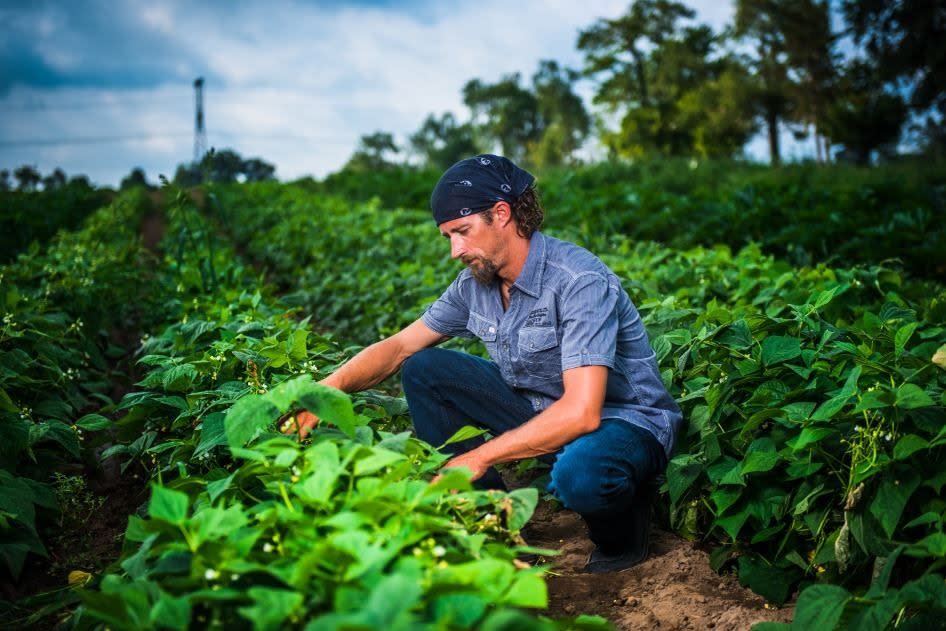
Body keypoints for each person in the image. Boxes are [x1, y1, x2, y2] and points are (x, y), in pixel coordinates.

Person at [286, 154, 682, 573]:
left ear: (501, 214)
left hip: (622, 422)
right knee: (425, 369)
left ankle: (622, 533)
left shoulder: (578, 280)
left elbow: (583, 413)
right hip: (543, 408)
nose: (456, 250)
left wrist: (481, 456)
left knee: (580, 475)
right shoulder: (476, 285)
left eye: (463, 231)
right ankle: (494, 523)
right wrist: (326, 390)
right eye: (448, 237)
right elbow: (400, 346)